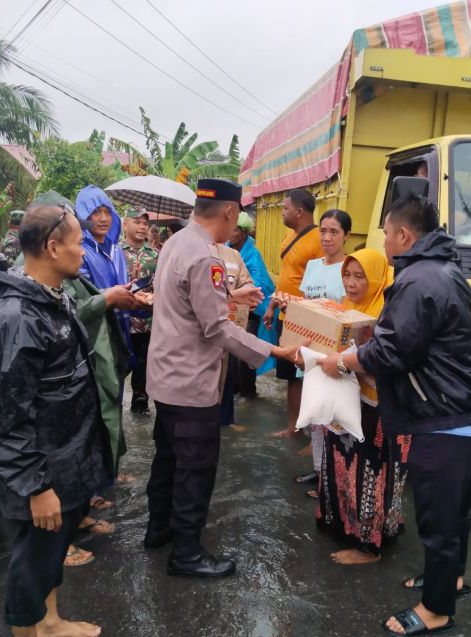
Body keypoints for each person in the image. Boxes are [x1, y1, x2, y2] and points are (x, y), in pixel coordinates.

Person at [318, 196, 471, 636]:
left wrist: (341, 361)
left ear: (403, 235)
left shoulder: (418, 280)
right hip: (468, 410)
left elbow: (392, 350)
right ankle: (450, 580)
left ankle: (437, 609)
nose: (383, 240)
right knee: (458, 512)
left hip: (446, 417)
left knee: (438, 520)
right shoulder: (444, 269)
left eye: (385, 232)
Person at [0, 204, 112, 637]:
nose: (84, 252)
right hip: (41, 469)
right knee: (32, 561)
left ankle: (50, 622)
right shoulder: (17, 319)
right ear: (52, 247)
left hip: (62, 459)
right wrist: (36, 486)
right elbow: (5, 417)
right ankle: (32, 629)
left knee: (50, 550)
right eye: (79, 243)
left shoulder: (50, 299)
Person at [144, 178, 301, 578]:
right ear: (230, 212)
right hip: (192, 382)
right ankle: (187, 554)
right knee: (194, 468)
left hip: (166, 378)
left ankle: (159, 529)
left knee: (167, 459)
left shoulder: (176, 244)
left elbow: (184, 304)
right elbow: (216, 328)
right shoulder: (205, 256)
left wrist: (229, 299)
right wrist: (273, 350)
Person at [317, 248, 410, 565]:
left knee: (370, 473)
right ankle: (342, 523)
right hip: (346, 402)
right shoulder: (346, 308)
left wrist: (346, 361)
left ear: (378, 277)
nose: (352, 283)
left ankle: (369, 545)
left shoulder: (388, 313)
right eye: (347, 275)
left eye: (360, 276)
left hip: (377, 408)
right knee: (341, 463)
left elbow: (389, 362)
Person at [295, 209, 352, 492]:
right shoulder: (313, 266)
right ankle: (319, 471)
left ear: (346, 236)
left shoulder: (349, 271)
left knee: (334, 417)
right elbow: (306, 305)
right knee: (316, 416)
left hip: (334, 355)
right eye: (323, 231)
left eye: (334, 232)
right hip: (311, 352)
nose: (327, 237)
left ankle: (333, 476)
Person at [263, 188, 323, 438]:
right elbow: (286, 277)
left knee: (310, 377)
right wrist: (272, 305)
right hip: (284, 317)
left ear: (299, 211)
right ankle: (293, 428)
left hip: (305, 320)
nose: (282, 213)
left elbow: (320, 284)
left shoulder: (319, 240)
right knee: (290, 376)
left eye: (285, 208)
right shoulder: (289, 236)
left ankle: (315, 434)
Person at [74, 185, 137, 368]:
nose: (103, 219)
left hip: (121, 331)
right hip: (96, 336)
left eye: (107, 212)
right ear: (84, 216)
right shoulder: (80, 252)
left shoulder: (116, 250)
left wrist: (136, 299)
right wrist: (113, 297)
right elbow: (82, 298)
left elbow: (122, 289)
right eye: (95, 212)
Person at [227, 211, 274, 398]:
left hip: (251, 310)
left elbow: (258, 282)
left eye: (236, 229)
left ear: (245, 232)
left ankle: (248, 391)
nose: (232, 232)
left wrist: (240, 291)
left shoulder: (253, 255)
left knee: (246, 352)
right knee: (231, 351)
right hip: (231, 307)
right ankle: (235, 388)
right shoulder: (226, 249)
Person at [120, 207, 159, 416]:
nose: (143, 226)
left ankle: (140, 406)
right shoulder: (115, 252)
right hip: (122, 322)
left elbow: (162, 287)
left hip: (146, 323)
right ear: (125, 224)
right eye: (137, 222)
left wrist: (153, 298)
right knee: (118, 367)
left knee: (144, 368)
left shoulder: (156, 256)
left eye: (145, 223)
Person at [216, 240, 258, 431]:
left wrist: (250, 294)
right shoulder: (193, 251)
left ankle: (226, 419)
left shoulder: (234, 255)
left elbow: (247, 281)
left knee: (229, 372)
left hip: (231, 325)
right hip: (204, 331)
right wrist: (235, 295)